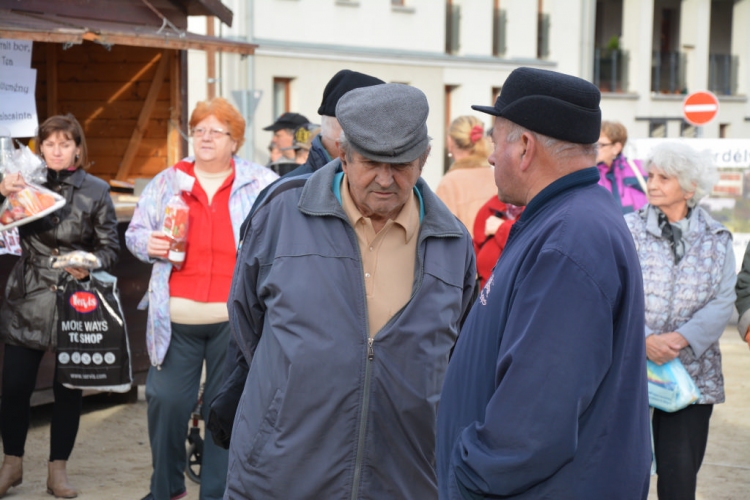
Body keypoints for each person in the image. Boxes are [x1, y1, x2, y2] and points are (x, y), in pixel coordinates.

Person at [225, 83, 476, 499]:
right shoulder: (282, 215)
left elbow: (456, 351)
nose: (385, 179)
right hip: (282, 472)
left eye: (401, 165)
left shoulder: (452, 241)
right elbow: (246, 322)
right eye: (371, 162)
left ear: (425, 159)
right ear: (343, 153)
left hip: (403, 477)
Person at [437, 67, 651, 499]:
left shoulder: (570, 239)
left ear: (525, 147)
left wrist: (468, 476)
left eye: (497, 141)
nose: (492, 156)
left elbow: (536, 420)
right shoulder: (566, 219)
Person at [125, 97, 277, 500]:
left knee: (223, 409)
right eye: (199, 130)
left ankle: (218, 492)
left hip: (235, 321)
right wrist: (149, 243)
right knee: (165, 400)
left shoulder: (260, 182)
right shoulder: (167, 181)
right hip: (178, 317)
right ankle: (167, 489)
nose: (206, 137)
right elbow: (135, 232)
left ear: (235, 140)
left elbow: (277, 237)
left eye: (216, 131)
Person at [0, 114, 120, 499]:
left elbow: (110, 249)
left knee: (69, 387)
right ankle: (12, 464)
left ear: (78, 150)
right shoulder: (22, 183)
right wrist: (2, 192)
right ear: (40, 148)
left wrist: (89, 263)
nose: (56, 150)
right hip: (28, 294)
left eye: (64, 143)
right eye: (49, 143)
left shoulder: (97, 190)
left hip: (76, 298)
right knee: (15, 387)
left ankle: (57, 472)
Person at [625, 142, 735, 500]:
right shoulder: (627, 230)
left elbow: (723, 301)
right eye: (651, 175)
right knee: (623, 470)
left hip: (691, 376)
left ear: (690, 188)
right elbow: (613, 290)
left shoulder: (718, 238)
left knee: (680, 475)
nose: (652, 184)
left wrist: (680, 339)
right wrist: (643, 339)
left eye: (664, 178)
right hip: (630, 372)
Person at [436, 115, 497, 237]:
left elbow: (442, 234)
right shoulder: (497, 176)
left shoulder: (449, 183)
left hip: (468, 255)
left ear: (450, 142)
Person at [597, 120, 648, 214]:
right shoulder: (589, 175)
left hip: (637, 227)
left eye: (600, 145)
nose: (594, 149)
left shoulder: (640, 169)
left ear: (616, 148)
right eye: (592, 144)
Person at [471, 197, 523, 288]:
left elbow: (531, 244)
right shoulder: (491, 207)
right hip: (485, 293)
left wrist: (502, 228)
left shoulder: (540, 208)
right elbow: (477, 245)